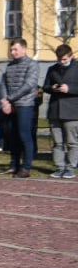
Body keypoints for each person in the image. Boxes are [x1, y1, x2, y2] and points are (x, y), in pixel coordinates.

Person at [0, 39, 39, 178]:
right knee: (11, 135)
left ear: (24, 49)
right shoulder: (10, 65)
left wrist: (10, 98)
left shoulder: (32, 64)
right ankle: (14, 165)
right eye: (11, 49)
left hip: (25, 104)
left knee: (24, 135)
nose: (12, 52)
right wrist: (4, 101)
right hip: (10, 105)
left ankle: (26, 167)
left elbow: (29, 85)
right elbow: (3, 84)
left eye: (15, 49)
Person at [45, 44, 78, 179]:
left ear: (70, 56)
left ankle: (71, 167)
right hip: (55, 110)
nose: (61, 62)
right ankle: (59, 166)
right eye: (59, 59)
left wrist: (69, 89)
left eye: (64, 59)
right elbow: (45, 86)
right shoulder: (52, 69)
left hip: (72, 111)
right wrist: (52, 88)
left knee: (72, 142)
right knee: (57, 142)